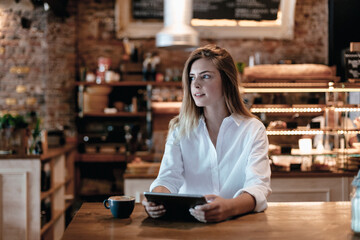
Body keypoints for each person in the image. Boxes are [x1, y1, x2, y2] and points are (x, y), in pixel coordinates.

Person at [142, 45, 271, 223]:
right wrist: (155, 200)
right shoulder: (180, 129)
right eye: (192, 77)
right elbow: (168, 178)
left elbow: (257, 186)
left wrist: (228, 207)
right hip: (188, 226)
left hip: (237, 226)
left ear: (227, 81)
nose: (195, 84)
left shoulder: (253, 129)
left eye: (206, 76)